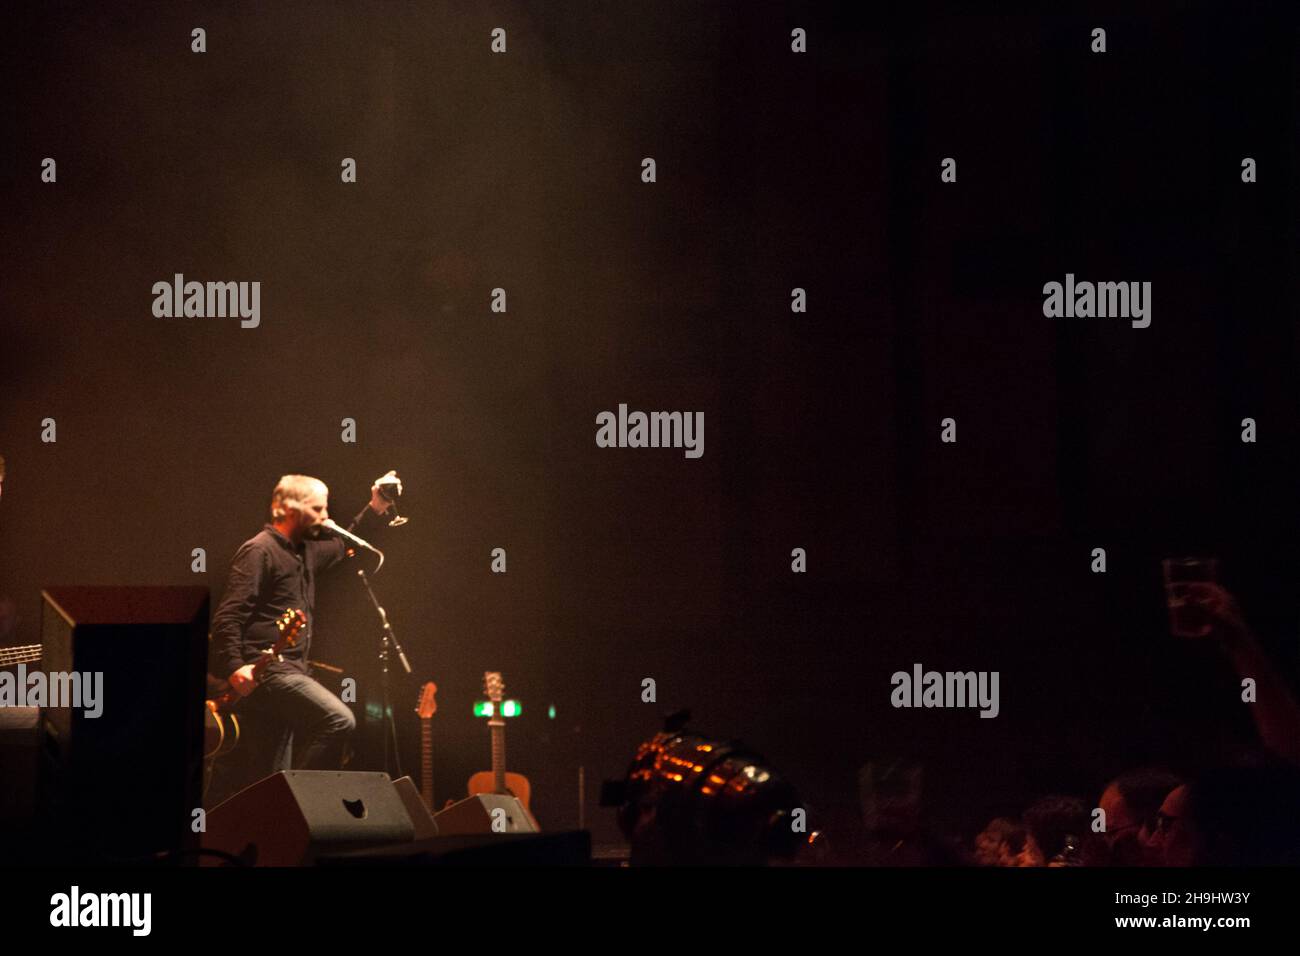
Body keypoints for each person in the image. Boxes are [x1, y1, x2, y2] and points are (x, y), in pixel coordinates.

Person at [208, 470, 402, 799]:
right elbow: (228, 615)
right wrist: (234, 665)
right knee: (339, 719)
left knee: (265, 780)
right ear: (288, 510)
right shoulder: (259, 551)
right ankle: (301, 802)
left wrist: (376, 505)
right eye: (318, 509)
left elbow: (344, 542)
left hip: (292, 669)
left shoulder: (305, 552)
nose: (326, 517)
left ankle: (273, 824)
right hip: (267, 670)